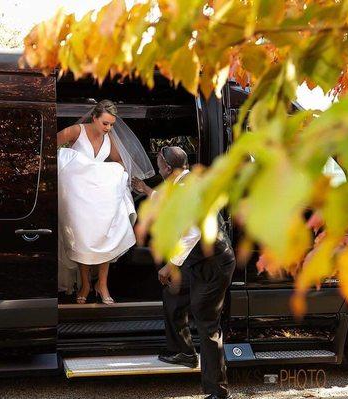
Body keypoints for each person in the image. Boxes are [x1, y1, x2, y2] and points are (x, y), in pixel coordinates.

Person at [133, 146, 236, 399]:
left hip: (214, 263)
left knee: (207, 323)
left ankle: (218, 391)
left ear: (167, 168)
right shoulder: (181, 182)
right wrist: (147, 191)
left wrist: (172, 264)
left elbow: (193, 231)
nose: (157, 167)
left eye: (158, 163)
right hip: (196, 258)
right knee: (173, 293)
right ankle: (184, 352)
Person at [57, 99, 154, 305]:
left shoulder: (109, 140)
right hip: (79, 199)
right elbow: (52, 147)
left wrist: (114, 172)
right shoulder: (76, 131)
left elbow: (121, 162)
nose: (108, 128)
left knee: (105, 238)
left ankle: (102, 285)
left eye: (111, 125)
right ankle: (85, 285)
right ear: (94, 118)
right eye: (105, 123)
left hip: (101, 201)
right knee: (82, 239)